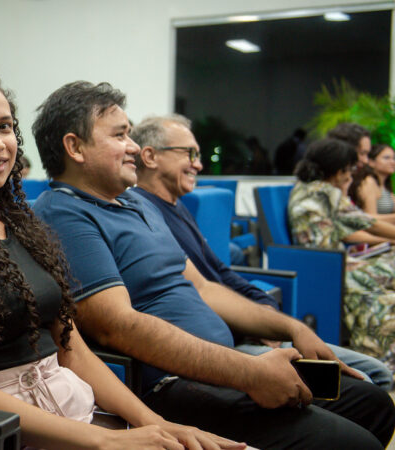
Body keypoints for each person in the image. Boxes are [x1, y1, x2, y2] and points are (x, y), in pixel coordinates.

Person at [32, 81, 395, 448]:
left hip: (225, 364)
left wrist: (293, 328)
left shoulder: (137, 204)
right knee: (351, 442)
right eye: (120, 135)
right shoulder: (64, 213)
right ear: (75, 147)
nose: (134, 147)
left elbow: (205, 287)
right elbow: (117, 327)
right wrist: (248, 372)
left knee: (373, 404)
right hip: (171, 384)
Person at [0, 66, 243, 450]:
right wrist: (102, 441)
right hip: (17, 427)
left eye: (5, 127)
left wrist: (156, 424)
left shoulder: (24, 228)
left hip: (75, 407)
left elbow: (72, 350)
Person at [130, 114, 393, 390]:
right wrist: (264, 325)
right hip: (223, 346)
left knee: (375, 372)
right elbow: (196, 292)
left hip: (248, 329)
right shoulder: (144, 212)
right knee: (369, 383)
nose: (199, 163)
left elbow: (220, 272)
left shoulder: (178, 207)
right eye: (190, 153)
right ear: (150, 157)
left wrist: (265, 307)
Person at [289, 137, 395, 375]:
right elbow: (369, 223)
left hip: (322, 265)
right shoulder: (326, 192)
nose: (351, 175)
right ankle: (382, 361)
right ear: (338, 171)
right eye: (349, 170)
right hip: (332, 269)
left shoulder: (305, 188)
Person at [349, 143, 395, 216]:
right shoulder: (369, 182)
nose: (392, 162)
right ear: (371, 162)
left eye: (394, 158)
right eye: (386, 158)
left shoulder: (384, 185)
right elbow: (370, 218)